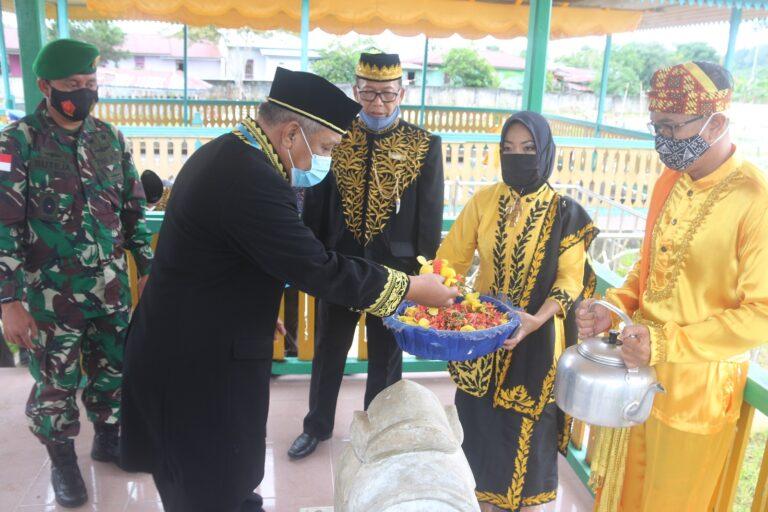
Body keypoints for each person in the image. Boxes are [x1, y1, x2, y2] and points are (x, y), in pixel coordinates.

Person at [119, 67, 457, 512]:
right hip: (194, 364)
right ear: (292, 133)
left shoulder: (233, 153)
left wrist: (254, 301)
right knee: (202, 484)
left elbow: (229, 257)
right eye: (324, 149)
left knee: (224, 476)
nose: (324, 160)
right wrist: (411, 287)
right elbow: (317, 267)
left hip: (205, 337)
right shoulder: (249, 177)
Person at [576, 61, 768, 512]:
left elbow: (762, 313)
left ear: (717, 121)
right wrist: (613, 308)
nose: (662, 140)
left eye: (672, 127)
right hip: (636, 371)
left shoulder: (754, 200)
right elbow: (648, 272)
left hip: (696, 391)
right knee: (623, 495)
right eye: (656, 126)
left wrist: (664, 344)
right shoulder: (670, 181)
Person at [0, 39, 154, 508]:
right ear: (45, 86)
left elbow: (133, 211)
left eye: (90, 84)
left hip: (110, 289)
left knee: (114, 368)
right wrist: (9, 302)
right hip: (50, 296)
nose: (83, 93)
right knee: (56, 381)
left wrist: (146, 267)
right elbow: (4, 225)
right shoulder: (16, 143)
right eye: (72, 85)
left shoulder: (111, 138)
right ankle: (63, 459)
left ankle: (108, 438)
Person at [437, 112, 597, 512]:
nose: (517, 157)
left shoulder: (566, 213)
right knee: (479, 430)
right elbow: (449, 263)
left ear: (544, 153)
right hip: (485, 338)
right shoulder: (484, 201)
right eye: (508, 149)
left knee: (528, 435)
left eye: (528, 149)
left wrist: (535, 319)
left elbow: (569, 282)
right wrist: (449, 305)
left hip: (537, 339)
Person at [288, 51, 445, 460]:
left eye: (387, 95)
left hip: (397, 271)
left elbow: (429, 216)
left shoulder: (424, 145)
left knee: (386, 356)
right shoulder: (336, 135)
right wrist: (314, 255)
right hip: (339, 264)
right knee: (328, 349)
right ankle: (317, 426)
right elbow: (318, 200)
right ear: (355, 90)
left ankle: (379, 429)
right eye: (369, 94)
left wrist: (422, 272)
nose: (377, 104)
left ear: (402, 93)